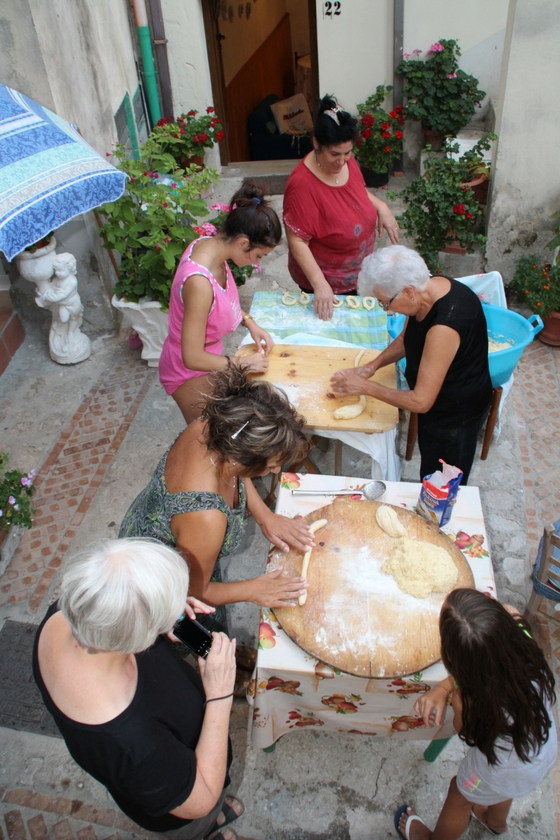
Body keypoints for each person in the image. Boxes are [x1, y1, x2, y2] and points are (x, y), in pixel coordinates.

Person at [33, 538, 246, 840]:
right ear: (136, 638)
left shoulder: (71, 612)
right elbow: (201, 798)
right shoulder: (134, 745)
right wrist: (220, 694)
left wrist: (158, 610)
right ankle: (207, 831)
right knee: (199, 822)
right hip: (183, 807)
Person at [120, 366, 314, 633]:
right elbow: (196, 591)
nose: (276, 471)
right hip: (156, 581)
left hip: (155, 529)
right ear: (240, 458)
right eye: (271, 466)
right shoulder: (206, 517)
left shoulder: (213, 427)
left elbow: (237, 469)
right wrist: (254, 589)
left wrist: (265, 516)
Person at [394, 588, 557, 840]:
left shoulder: (468, 701)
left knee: (459, 794)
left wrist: (451, 694)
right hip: (540, 749)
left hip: (496, 771)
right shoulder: (521, 637)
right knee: (504, 789)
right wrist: (444, 687)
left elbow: (466, 731)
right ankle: (495, 822)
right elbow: (506, 615)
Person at [330, 245, 492, 483]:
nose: (386, 310)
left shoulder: (444, 326)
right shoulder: (426, 290)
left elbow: (420, 401)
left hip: (455, 416)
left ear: (408, 292)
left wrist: (365, 387)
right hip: (437, 405)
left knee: (441, 485)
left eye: (385, 303)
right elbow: (405, 339)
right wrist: (371, 367)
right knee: (430, 469)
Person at [159, 180, 281, 423]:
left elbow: (222, 300)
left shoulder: (212, 246)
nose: (258, 263)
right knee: (209, 436)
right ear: (243, 243)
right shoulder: (199, 283)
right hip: (187, 371)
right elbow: (192, 357)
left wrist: (249, 322)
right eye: (259, 255)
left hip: (209, 360)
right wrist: (242, 364)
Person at [282, 94, 400, 321]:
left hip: (358, 272)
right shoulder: (302, 185)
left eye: (348, 153)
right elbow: (296, 240)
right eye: (334, 154)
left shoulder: (345, 160)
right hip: (327, 281)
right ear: (316, 143)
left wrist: (381, 206)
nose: (342, 161)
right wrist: (320, 284)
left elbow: (356, 192)